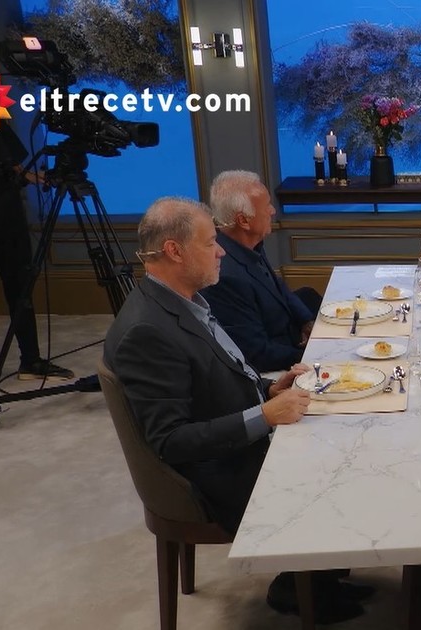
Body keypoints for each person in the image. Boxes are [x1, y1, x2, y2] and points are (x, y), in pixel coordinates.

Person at [103, 197, 367, 623]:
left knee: (347, 431)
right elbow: (171, 441)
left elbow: (212, 381)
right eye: (211, 242)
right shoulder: (146, 331)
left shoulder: (179, 301)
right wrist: (265, 416)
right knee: (345, 461)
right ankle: (300, 587)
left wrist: (268, 389)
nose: (221, 251)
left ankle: (321, 575)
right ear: (174, 250)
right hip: (216, 474)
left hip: (232, 445)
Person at [0, 58, 73, 403]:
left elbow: (12, 166)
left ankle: (31, 360)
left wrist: (36, 177)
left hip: (10, 220)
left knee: (21, 292)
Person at [199, 170, 320, 373]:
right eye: (267, 206)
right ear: (244, 221)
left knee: (310, 296)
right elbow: (257, 354)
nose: (272, 211)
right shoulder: (225, 277)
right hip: (277, 365)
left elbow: (277, 286)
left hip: (289, 336)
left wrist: (306, 320)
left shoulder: (248, 243)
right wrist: (316, 356)